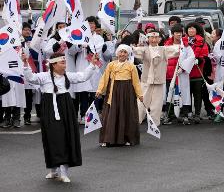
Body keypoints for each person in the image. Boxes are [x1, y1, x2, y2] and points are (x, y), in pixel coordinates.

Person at [22, 52, 98, 183]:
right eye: (62, 62)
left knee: (66, 137)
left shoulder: (67, 76)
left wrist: (92, 64)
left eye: (65, 62)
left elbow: (83, 76)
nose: (65, 65)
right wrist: (25, 63)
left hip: (65, 107)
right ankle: (53, 170)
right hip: (50, 108)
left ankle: (64, 171)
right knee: (52, 138)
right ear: (53, 64)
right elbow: (30, 77)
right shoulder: (44, 77)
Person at [96, 44, 143, 147]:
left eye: (125, 52)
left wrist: (140, 94)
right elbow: (104, 78)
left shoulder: (131, 66)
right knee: (110, 115)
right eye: (120, 52)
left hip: (127, 92)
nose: (122, 54)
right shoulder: (111, 65)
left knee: (126, 114)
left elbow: (136, 81)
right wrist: (100, 90)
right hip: (113, 91)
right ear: (117, 53)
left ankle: (126, 138)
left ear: (128, 54)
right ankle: (108, 139)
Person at [132, 30, 180, 126]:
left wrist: (183, 44)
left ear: (159, 39)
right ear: (148, 39)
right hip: (146, 81)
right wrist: (133, 46)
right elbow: (133, 51)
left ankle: (154, 123)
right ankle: (136, 122)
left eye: (156, 37)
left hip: (159, 81)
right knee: (142, 102)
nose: (154, 39)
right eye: (151, 37)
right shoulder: (144, 49)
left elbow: (178, 50)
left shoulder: (164, 49)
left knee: (157, 104)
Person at [164, 24, 195, 125]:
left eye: (180, 33)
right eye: (176, 33)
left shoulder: (186, 46)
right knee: (170, 94)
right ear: (172, 34)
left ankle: (184, 115)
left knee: (184, 94)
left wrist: (183, 68)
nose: (179, 35)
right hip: (170, 75)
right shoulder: (167, 45)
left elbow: (191, 57)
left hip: (182, 74)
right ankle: (169, 115)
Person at [184, 22, 209, 123]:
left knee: (198, 94)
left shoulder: (202, 41)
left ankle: (197, 113)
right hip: (186, 73)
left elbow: (205, 54)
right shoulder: (183, 41)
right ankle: (188, 113)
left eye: (193, 29)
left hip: (197, 72)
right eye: (189, 29)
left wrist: (200, 59)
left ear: (197, 30)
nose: (191, 30)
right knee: (186, 94)